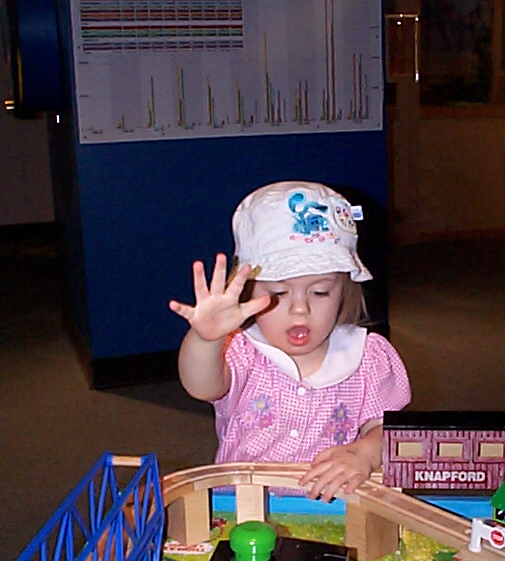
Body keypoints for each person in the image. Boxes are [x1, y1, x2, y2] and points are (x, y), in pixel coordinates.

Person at [169, 180, 411, 501]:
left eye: (320, 292)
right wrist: (205, 339)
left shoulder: (368, 357)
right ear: (248, 292)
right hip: (244, 509)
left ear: (344, 292)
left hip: (335, 507)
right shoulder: (242, 351)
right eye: (279, 293)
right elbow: (201, 385)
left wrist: (365, 452)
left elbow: (391, 430)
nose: (300, 309)